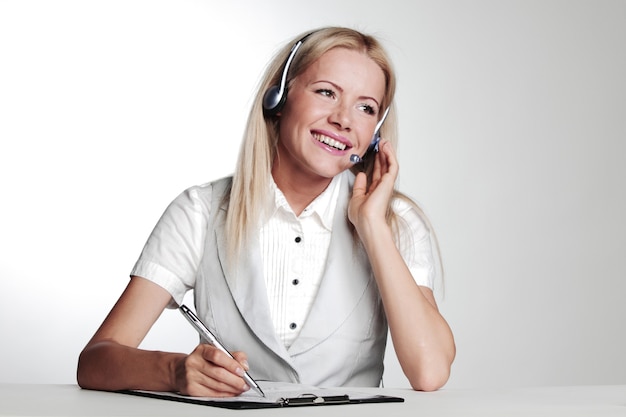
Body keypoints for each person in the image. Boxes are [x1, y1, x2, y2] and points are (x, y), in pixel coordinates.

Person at [77, 26, 455, 397]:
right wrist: (173, 371)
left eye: (366, 108)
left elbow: (430, 371)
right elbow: (95, 361)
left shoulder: (397, 222)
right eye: (326, 92)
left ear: (375, 132)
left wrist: (372, 226)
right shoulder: (200, 212)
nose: (344, 119)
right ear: (278, 97)